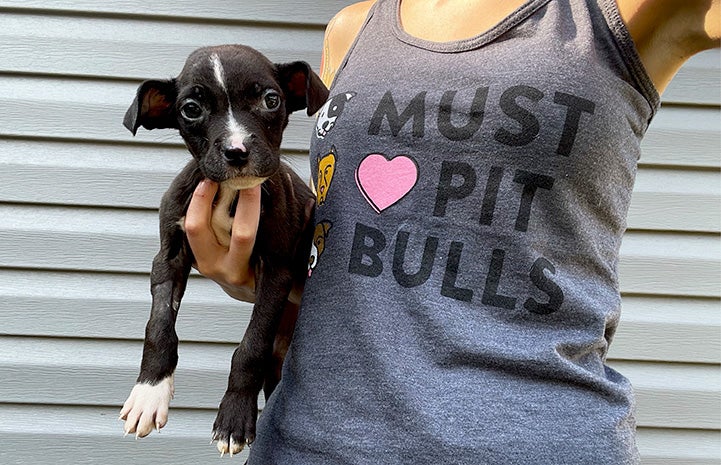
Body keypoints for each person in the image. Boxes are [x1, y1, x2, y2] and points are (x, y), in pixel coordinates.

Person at [184, 0, 720, 463]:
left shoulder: (615, 14)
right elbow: (362, 273)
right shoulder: (352, 29)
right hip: (312, 442)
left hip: (532, 442)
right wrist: (258, 279)